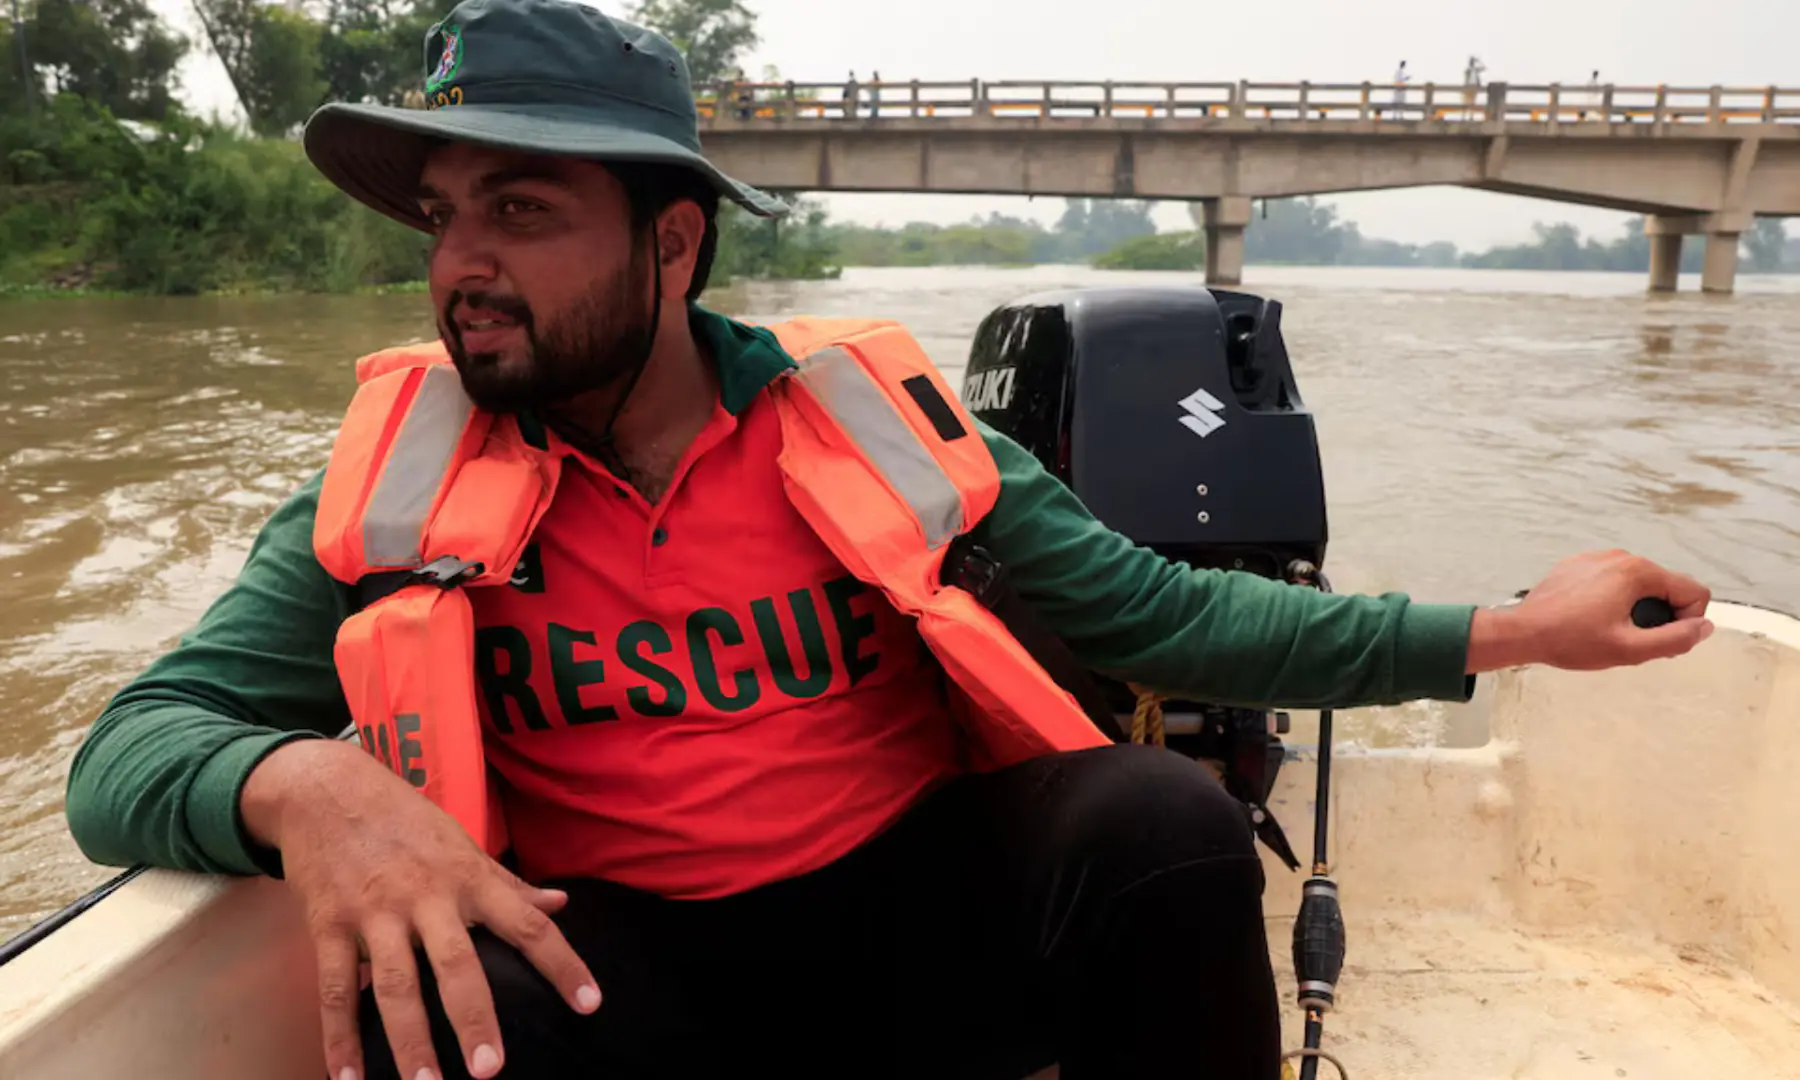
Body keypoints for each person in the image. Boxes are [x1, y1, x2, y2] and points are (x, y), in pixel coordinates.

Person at [62, 2, 1716, 1079]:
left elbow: (1173, 621)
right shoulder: (400, 483)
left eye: (521, 210)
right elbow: (126, 756)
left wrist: (1516, 630)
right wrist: (304, 783)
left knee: (1160, 819)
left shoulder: (855, 434)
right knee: (468, 993)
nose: (459, 266)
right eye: (443, 218)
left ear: (673, 242)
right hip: (629, 979)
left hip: (910, 922)